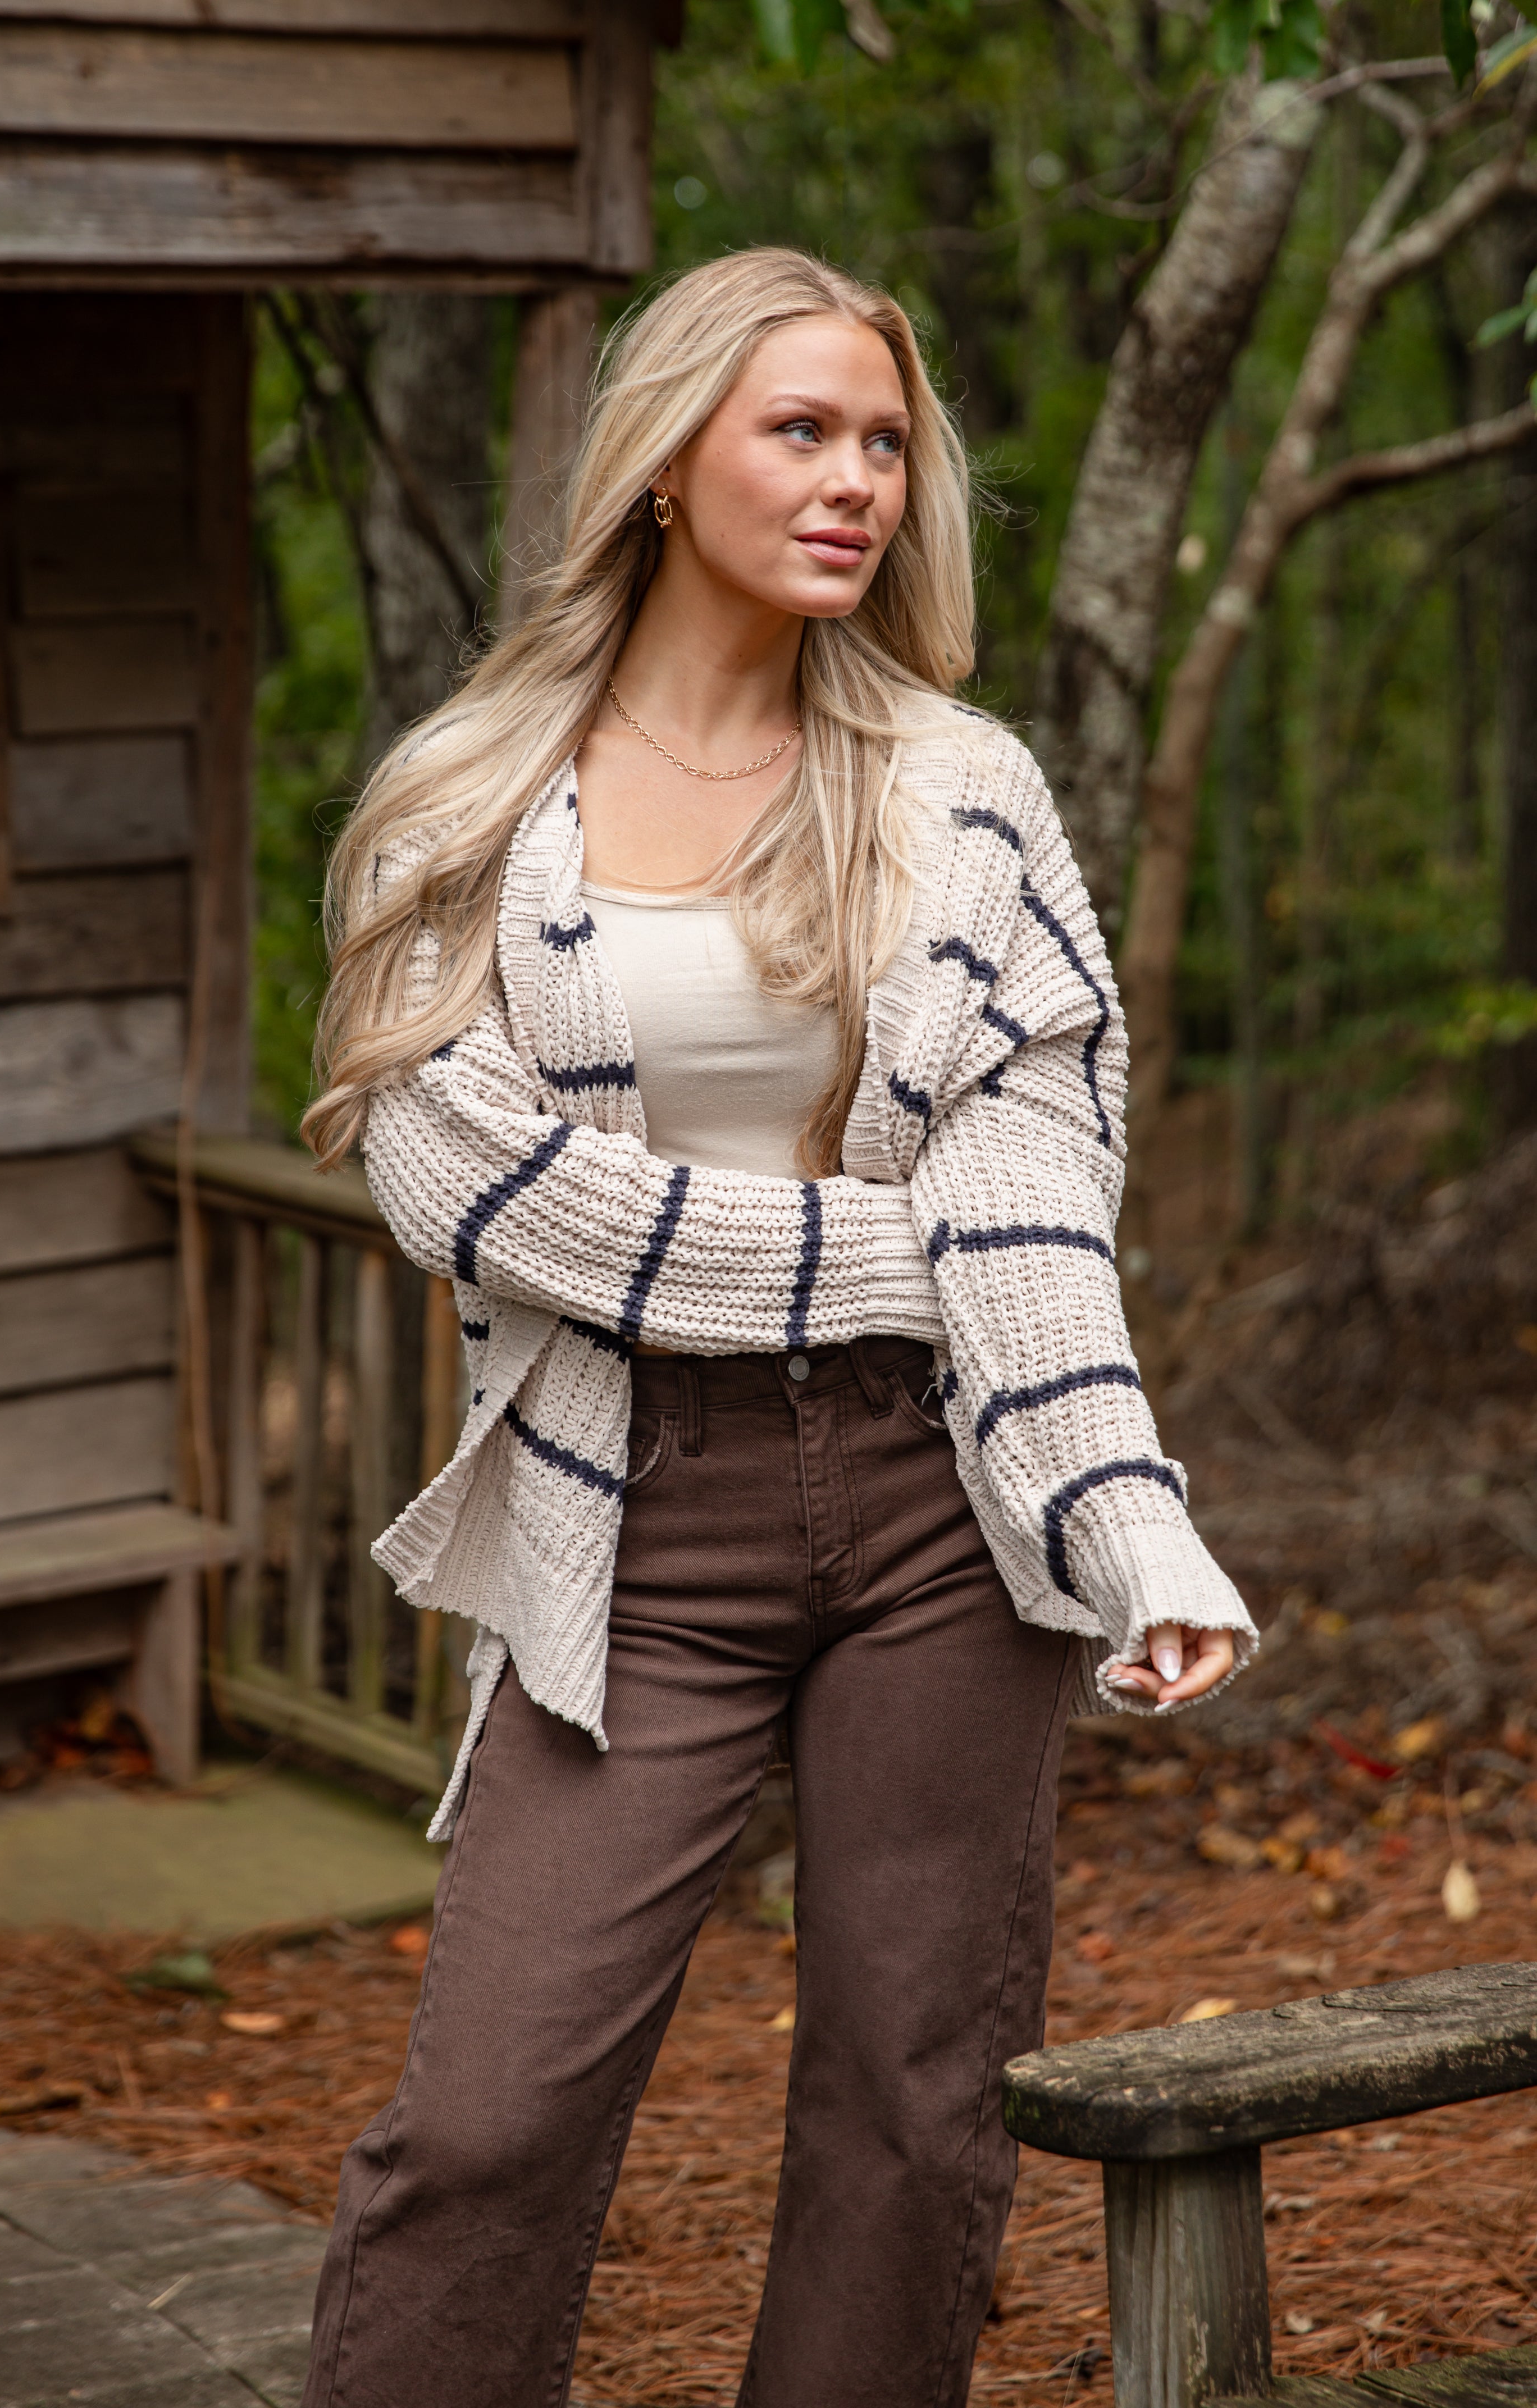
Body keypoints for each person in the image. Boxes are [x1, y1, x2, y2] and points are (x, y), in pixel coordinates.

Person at [298, 246, 1255, 2408]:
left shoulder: (959, 792)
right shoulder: (469, 799)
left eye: (887, 443)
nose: (858, 484)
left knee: (914, 2113)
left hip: (943, 1506)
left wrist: (1133, 1531)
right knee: (488, 2120)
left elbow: (1030, 1200)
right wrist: (883, 1245)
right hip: (628, 1514)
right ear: (663, 463)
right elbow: (465, 1181)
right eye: (800, 432)